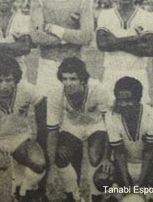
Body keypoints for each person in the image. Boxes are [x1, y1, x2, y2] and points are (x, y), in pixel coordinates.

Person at [30, 0, 94, 198]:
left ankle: (72, 190)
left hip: (74, 69)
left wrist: (55, 29)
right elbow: (36, 36)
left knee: (73, 129)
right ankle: (41, 186)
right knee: (45, 129)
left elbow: (87, 36)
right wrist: (71, 35)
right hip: (47, 68)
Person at [0, 56, 46, 202]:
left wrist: (36, 141)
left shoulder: (27, 89)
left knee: (39, 162)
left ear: (16, 79)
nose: (4, 85)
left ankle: (23, 189)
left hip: (20, 138)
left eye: (9, 80)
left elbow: (42, 108)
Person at [46, 57, 112, 202]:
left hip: (96, 125)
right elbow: (52, 131)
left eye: (73, 79)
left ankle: (95, 197)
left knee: (95, 157)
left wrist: (107, 156)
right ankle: (74, 196)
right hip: (72, 126)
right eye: (65, 79)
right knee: (60, 155)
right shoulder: (55, 93)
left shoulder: (97, 89)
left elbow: (110, 124)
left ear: (83, 79)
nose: (68, 84)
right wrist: (51, 167)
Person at [93, 77, 153, 201]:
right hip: (124, 164)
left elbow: (148, 154)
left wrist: (139, 185)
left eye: (128, 100)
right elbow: (119, 153)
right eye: (120, 100)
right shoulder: (111, 115)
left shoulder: (152, 115)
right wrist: (127, 185)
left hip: (149, 164)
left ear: (138, 99)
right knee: (101, 179)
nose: (123, 104)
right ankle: (115, 195)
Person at [96, 0, 153, 102]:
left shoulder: (147, 17)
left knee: (141, 113)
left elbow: (149, 49)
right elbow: (102, 44)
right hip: (112, 72)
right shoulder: (105, 15)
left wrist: (115, 41)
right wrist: (135, 39)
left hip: (137, 72)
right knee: (110, 113)